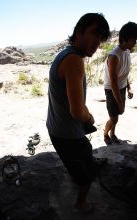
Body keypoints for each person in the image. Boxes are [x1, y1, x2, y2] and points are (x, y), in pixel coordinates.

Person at [46, 13, 110, 213]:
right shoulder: (74, 60)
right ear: (79, 32)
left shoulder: (65, 54)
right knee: (88, 174)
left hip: (57, 128)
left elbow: (74, 101)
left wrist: (84, 110)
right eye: (94, 34)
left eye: (101, 38)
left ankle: (76, 173)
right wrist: (89, 117)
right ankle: (81, 204)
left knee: (80, 161)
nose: (97, 42)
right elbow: (76, 111)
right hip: (67, 134)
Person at [104, 22, 137, 145]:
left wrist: (129, 88)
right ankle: (105, 134)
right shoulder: (114, 56)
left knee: (117, 115)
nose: (135, 43)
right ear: (124, 39)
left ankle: (113, 134)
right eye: (134, 39)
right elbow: (113, 84)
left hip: (122, 88)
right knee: (114, 117)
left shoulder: (127, 51)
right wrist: (120, 103)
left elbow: (124, 73)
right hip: (112, 90)